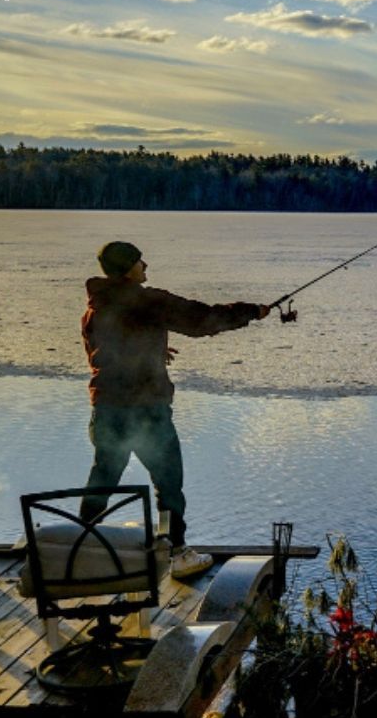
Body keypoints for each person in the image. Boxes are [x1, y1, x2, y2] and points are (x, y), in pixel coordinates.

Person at [80, 240, 268, 572]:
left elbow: (103, 350)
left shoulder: (95, 307)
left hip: (107, 409)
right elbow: (202, 320)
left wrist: (152, 351)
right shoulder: (149, 301)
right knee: (168, 483)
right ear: (127, 269)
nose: (146, 266)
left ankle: (79, 546)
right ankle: (178, 551)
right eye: (140, 261)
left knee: (103, 478)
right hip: (147, 412)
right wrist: (251, 311)